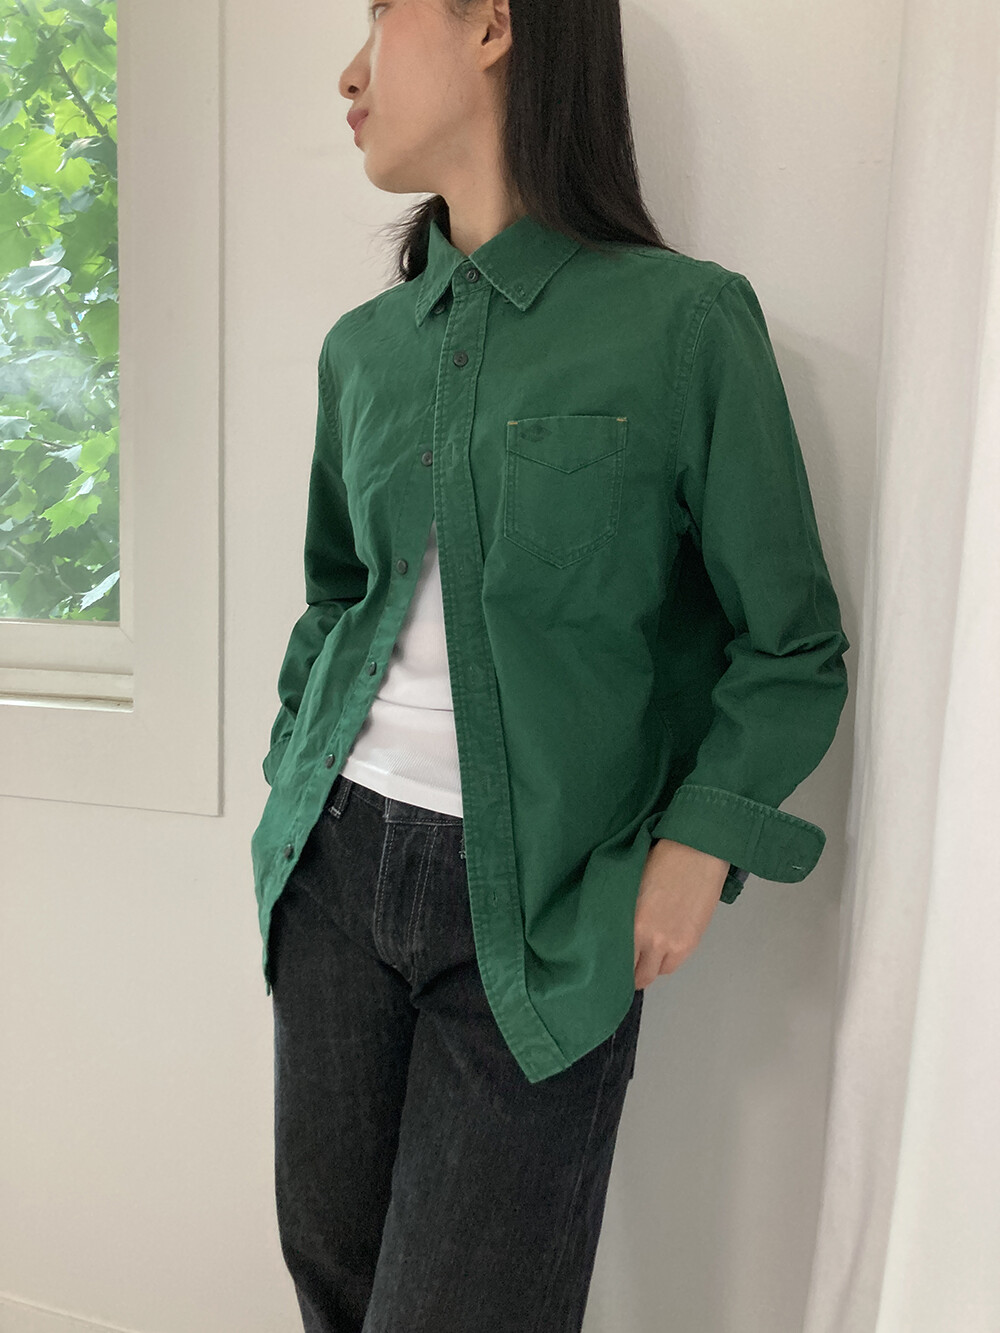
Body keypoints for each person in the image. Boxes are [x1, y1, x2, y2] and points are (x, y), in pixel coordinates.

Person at [249, 1, 852, 1329]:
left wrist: (698, 844)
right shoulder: (364, 351)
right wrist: (292, 781)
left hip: (544, 910)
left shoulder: (683, 324)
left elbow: (792, 642)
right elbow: (337, 598)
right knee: (335, 1293)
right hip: (333, 877)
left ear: (494, 27)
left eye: (382, 13)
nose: (349, 71)